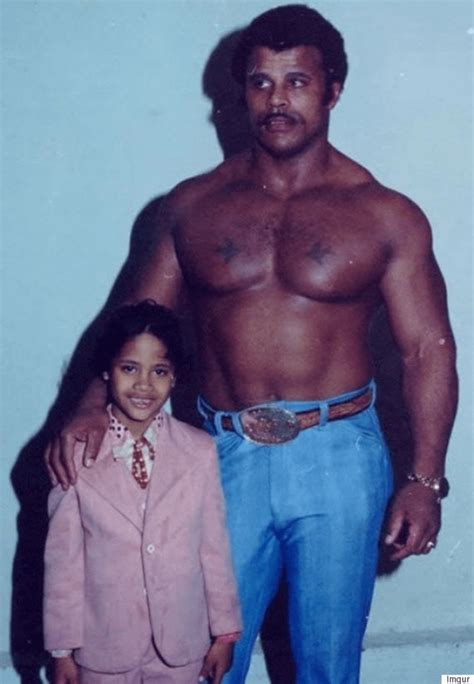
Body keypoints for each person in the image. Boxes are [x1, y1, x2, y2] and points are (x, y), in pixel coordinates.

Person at [45, 5, 458, 683]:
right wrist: (89, 405)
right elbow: (134, 317)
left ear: (333, 90)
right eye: (261, 83)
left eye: (297, 81)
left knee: (326, 667)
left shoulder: (385, 215)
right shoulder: (193, 207)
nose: (277, 100)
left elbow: (427, 350)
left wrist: (425, 479)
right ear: (240, 93)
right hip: (220, 455)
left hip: (339, 457)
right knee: (202, 659)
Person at [43, 300, 242, 684]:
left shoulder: (199, 450)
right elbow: (63, 563)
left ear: (176, 377)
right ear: (106, 372)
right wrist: (62, 651)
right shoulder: (75, 454)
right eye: (129, 368)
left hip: (181, 648)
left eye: (160, 371)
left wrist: (225, 633)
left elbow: (214, 549)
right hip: (102, 650)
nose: (144, 385)